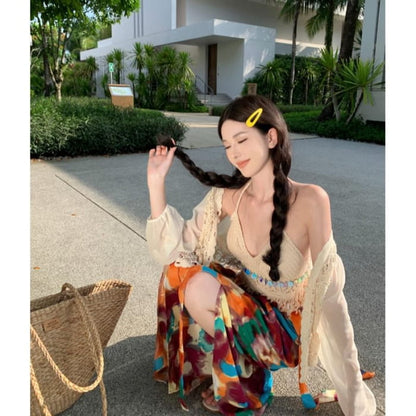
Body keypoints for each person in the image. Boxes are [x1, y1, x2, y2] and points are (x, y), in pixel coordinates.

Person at [146, 95, 376, 416]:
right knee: (182, 275)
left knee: (198, 284)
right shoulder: (228, 196)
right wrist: (156, 182)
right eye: (227, 145)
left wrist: (352, 388)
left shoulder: (311, 200)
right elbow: (178, 247)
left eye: (241, 140)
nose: (234, 153)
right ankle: (245, 371)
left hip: (288, 332)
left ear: (270, 137)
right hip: (252, 308)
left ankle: (250, 374)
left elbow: (331, 295)